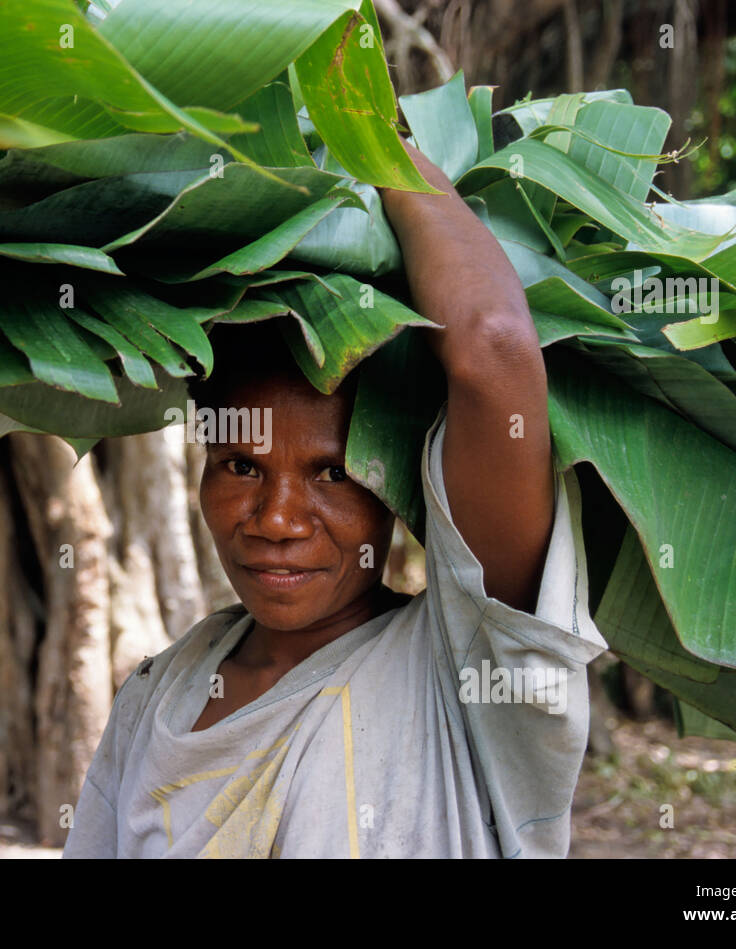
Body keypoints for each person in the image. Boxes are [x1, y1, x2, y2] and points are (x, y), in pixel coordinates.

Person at [62, 142, 607, 858]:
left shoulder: (467, 668)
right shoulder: (158, 695)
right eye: (241, 465)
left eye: (331, 473)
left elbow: (494, 345)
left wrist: (374, 141)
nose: (278, 521)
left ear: (393, 489)